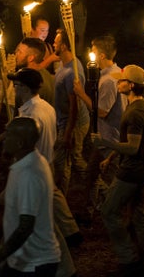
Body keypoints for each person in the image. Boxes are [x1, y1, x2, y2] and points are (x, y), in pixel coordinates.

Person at [7, 68, 81, 276]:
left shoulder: (32, 115)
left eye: (16, 84)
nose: (13, 88)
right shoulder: (47, 107)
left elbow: (27, 145)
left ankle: (64, 267)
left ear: (23, 87)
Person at [0, 118, 61, 277]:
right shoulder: (32, 161)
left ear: (20, 143)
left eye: (7, 136)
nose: (3, 140)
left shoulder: (28, 173)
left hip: (34, 264)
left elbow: (26, 226)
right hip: (26, 259)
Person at [93, 65, 144, 277]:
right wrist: (111, 157)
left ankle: (129, 258)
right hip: (140, 169)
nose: (118, 83)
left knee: (109, 211)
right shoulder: (139, 104)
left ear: (132, 85)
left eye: (122, 81)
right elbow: (129, 141)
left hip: (130, 172)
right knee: (137, 214)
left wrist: (105, 143)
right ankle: (141, 257)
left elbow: (133, 147)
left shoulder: (136, 112)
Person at [72, 35, 126, 222]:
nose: (90, 54)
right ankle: (89, 213)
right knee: (91, 175)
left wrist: (81, 94)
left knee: (114, 180)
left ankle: (118, 214)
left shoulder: (110, 80)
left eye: (93, 51)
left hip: (111, 140)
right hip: (103, 138)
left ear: (102, 55)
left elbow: (102, 111)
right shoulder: (112, 74)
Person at [52, 29, 90, 195]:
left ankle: (98, 187)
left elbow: (75, 106)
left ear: (64, 46)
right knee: (70, 160)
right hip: (64, 121)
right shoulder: (64, 63)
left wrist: (68, 132)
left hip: (73, 123)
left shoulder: (73, 72)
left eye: (56, 42)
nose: (53, 44)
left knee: (67, 162)